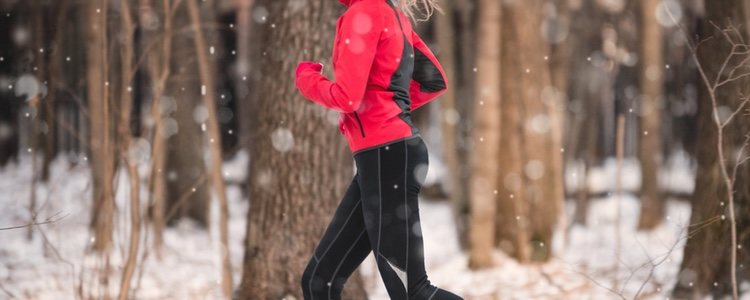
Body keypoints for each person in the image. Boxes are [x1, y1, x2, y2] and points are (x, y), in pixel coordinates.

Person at [295, 0, 463, 299]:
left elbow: (347, 98)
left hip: (388, 157)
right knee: (320, 281)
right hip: (388, 157)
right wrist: (386, 109)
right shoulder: (392, 14)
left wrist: (307, 79)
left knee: (413, 292)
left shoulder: (364, 12)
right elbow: (432, 81)